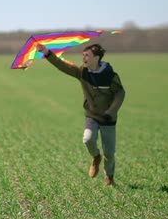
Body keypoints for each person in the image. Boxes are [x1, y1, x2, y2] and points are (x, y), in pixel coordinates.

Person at [36, 43, 125, 186]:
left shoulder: (110, 75)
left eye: (87, 55)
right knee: (88, 139)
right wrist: (46, 52)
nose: (83, 58)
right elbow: (62, 65)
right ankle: (96, 157)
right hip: (92, 115)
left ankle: (109, 177)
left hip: (108, 118)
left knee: (109, 152)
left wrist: (112, 111)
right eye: (83, 55)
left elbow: (120, 93)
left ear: (96, 58)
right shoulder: (82, 72)